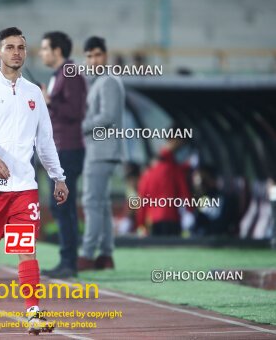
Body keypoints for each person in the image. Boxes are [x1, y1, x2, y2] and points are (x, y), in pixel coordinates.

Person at [0, 27, 68, 335]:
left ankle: (33, 313)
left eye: (21, 47)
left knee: (27, 249)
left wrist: (58, 177)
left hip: (25, 188)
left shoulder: (34, 92)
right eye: (10, 47)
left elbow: (45, 141)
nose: (16, 52)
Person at [38, 31, 87, 278]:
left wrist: (49, 102)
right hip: (58, 151)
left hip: (67, 149)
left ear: (57, 51)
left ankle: (69, 262)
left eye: (45, 48)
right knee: (59, 207)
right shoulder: (59, 74)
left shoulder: (69, 73)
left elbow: (76, 111)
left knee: (62, 205)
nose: (41, 53)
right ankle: (67, 260)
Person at [78, 36, 125, 271]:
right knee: (102, 204)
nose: (92, 60)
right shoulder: (98, 82)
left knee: (92, 202)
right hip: (100, 150)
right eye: (88, 56)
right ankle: (106, 255)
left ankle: (87, 254)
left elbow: (107, 117)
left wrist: (80, 124)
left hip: (101, 150)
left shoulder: (107, 82)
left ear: (105, 56)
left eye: (97, 55)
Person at [136, 136, 192, 236]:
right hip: (172, 218)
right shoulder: (175, 170)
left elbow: (142, 200)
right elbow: (185, 194)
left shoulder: (148, 173)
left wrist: (141, 223)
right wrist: (190, 211)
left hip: (153, 221)